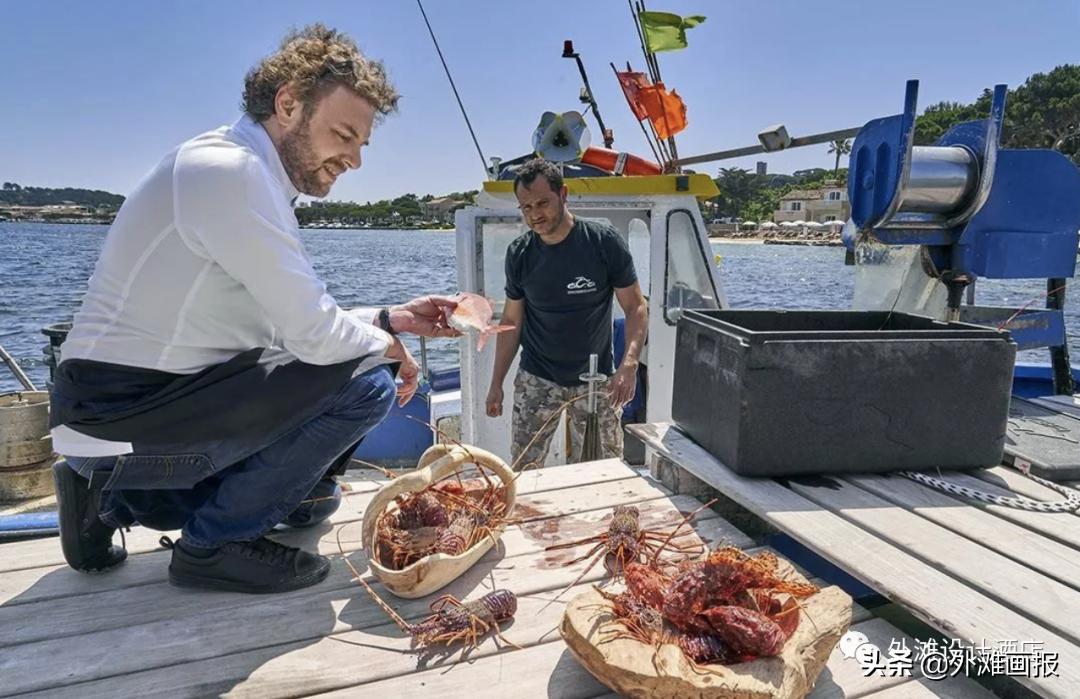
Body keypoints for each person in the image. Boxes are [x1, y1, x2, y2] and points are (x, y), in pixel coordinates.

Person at [48, 24, 460, 594]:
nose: (355, 159)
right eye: (344, 135)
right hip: (125, 408)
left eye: (362, 143)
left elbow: (287, 324)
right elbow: (313, 336)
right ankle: (212, 546)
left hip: (115, 410)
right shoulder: (231, 173)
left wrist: (389, 318)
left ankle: (104, 500)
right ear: (288, 104)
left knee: (312, 503)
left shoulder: (239, 170)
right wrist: (389, 347)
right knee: (369, 383)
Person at [485, 159, 648, 469]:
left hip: (594, 376)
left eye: (542, 203)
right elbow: (511, 322)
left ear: (563, 194)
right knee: (524, 468)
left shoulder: (603, 243)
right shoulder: (519, 254)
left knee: (605, 469)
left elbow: (635, 307)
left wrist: (628, 365)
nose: (535, 214)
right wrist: (496, 384)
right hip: (537, 376)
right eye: (526, 207)